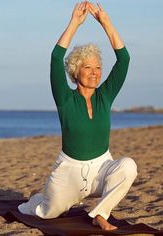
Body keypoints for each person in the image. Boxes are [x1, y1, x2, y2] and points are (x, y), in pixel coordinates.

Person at [18, 1, 137, 231]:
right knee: (47, 213)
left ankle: (100, 214)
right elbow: (55, 58)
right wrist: (74, 23)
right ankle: (36, 198)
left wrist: (106, 22)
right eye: (87, 67)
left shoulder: (105, 95)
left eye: (97, 68)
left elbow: (124, 60)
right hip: (69, 171)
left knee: (128, 166)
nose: (94, 73)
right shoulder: (65, 98)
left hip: (101, 168)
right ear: (75, 71)